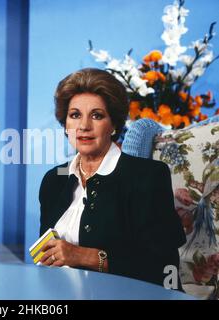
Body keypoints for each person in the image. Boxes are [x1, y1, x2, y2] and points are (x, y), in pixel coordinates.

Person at [38, 68, 186, 287]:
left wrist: (83, 256)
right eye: (75, 115)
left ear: (114, 124)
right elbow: (46, 260)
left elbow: (164, 270)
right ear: (65, 124)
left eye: (97, 115)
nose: (84, 126)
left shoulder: (147, 176)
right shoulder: (54, 180)